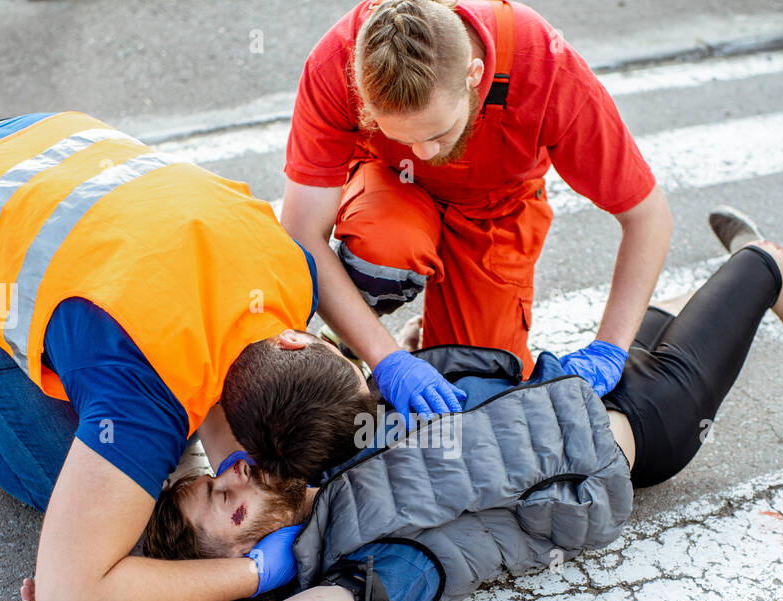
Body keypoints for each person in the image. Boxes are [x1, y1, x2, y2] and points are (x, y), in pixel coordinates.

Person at [20, 208, 783, 601]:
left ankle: (716, 295)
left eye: (220, 475)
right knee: (771, 270)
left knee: (669, 316)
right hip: (642, 433)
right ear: (243, 553)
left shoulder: (307, 456)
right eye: (228, 509)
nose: (238, 477)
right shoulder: (370, 565)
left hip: (570, 383)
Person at [0, 111, 373, 601]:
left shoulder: (292, 275)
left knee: (101, 472)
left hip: (36, 137)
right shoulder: (145, 402)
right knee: (57, 480)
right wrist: (252, 573)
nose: (238, 471)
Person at [277, 0, 672, 433]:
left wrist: (611, 347)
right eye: (402, 137)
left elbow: (647, 216)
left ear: (475, 76)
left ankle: (422, 333)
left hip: (493, 208)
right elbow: (300, 234)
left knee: (481, 391)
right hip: (392, 188)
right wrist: (385, 360)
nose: (425, 154)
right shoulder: (337, 61)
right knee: (382, 250)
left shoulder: (545, 65)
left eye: (437, 133)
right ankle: (354, 345)